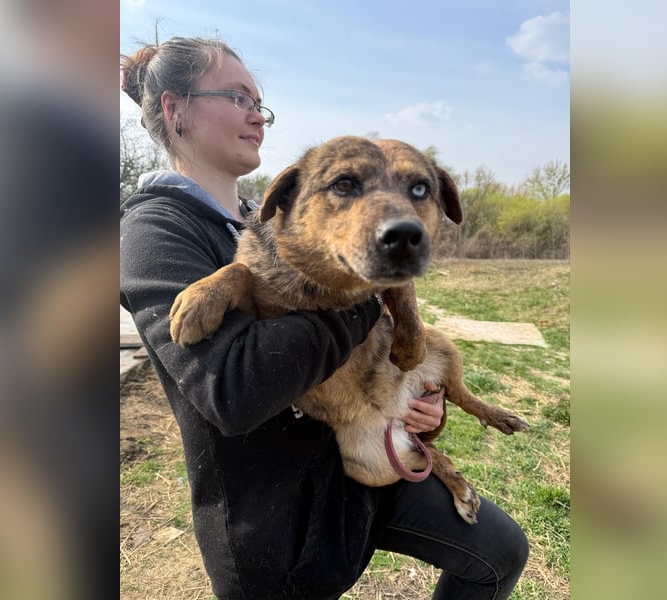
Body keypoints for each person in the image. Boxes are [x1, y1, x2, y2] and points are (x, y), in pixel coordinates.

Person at [120, 36, 528, 600]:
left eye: (259, 104)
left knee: (501, 551)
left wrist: (416, 401)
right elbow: (232, 391)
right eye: (238, 97)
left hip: (353, 472)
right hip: (275, 519)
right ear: (175, 108)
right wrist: (365, 297)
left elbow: (372, 347)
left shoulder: (265, 219)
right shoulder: (154, 232)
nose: (257, 117)